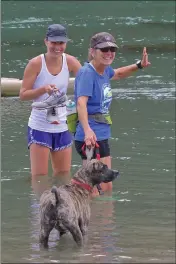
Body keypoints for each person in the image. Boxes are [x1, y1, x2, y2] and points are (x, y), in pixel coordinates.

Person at [74, 32, 151, 194]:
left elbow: (119, 73)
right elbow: (81, 103)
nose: (109, 53)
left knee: (106, 185)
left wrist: (139, 65)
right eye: (104, 49)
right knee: (93, 187)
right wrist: (87, 131)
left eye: (112, 49)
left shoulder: (104, 70)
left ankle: (103, 217)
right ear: (93, 51)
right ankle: (91, 217)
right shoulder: (88, 72)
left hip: (101, 133)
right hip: (90, 136)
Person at [20, 24, 81, 178]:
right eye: (54, 42)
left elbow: (87, 81)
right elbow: (23, 95)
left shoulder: (71, 61)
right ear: (46, 41)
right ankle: (38, 202)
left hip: (63, 125)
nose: (58, 47)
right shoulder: (35, 63)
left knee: (63, 176)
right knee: (39, 177)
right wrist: (43, 89)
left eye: (61, 43)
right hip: (40, 126)